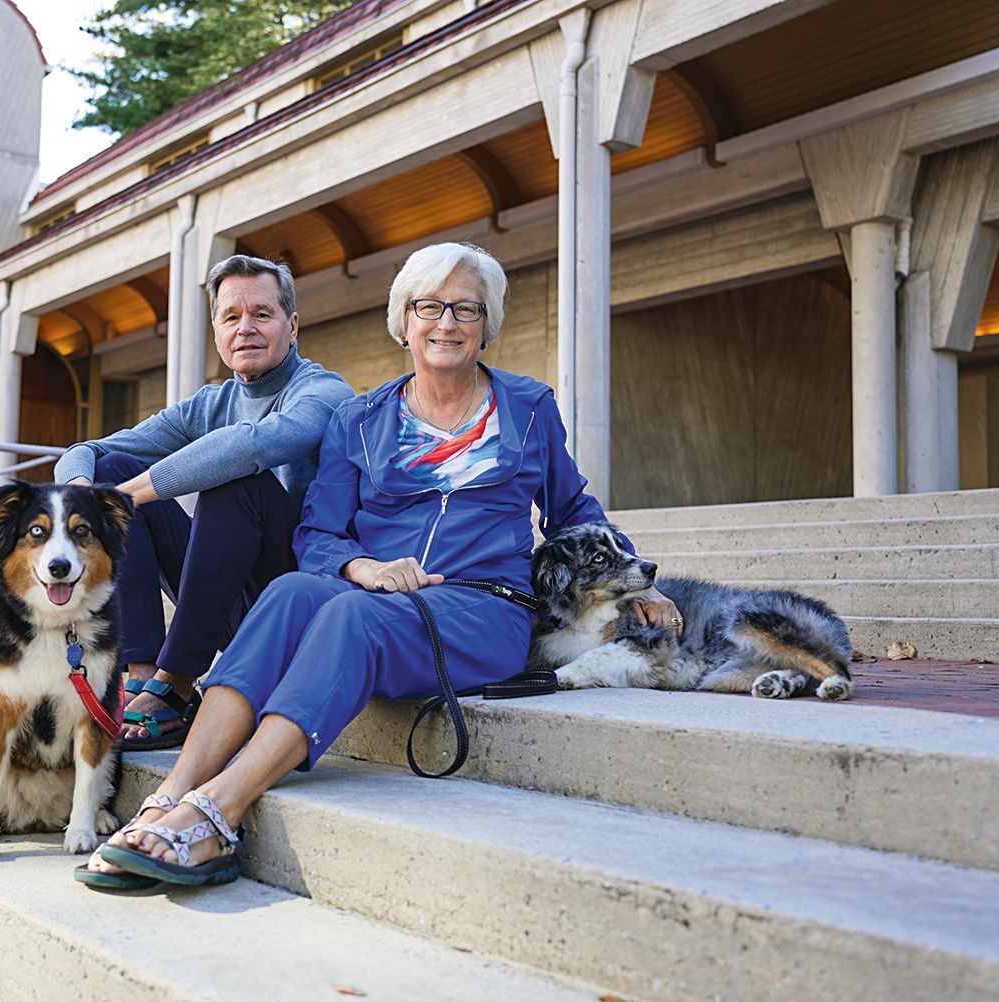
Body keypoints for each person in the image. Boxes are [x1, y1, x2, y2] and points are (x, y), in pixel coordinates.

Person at [77, 241, 677, 888]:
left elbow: (573, 509)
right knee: (291, 592)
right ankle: (170, 796)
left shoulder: (528, 407)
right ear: (404, 321)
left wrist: (635, 581)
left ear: (487, 325)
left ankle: (218, 814)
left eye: (466, 309)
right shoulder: (360, 418)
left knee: (351, 618)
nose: (446, 323)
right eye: (429, 307)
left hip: (483, 608)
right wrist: (362, 567)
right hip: (382, 596)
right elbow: (318, 533)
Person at [54, 254, 352, 750]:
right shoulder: (210, 403)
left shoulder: (323, 391)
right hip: (226, 595)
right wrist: (87, 491)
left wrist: (125, 497)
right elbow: (88, 451)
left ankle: (176, 679)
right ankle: (143, 675)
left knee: (236, 481)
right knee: (112, 469)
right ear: (216, 332)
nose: (245, 328)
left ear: (292, 326)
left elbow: (252, 446)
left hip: (295, 595)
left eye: (262, 314)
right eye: (231, 317)